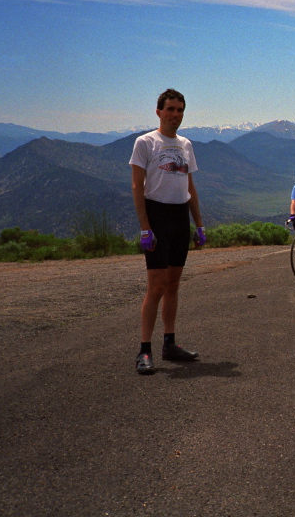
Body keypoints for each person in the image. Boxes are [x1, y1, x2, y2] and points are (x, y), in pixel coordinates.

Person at [129, 88, 206, 375]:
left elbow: (190, 187)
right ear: (159, 111)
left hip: (179, 217)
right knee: (156, 286)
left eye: (180, 110)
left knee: (173, 285)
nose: (176, 115)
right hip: (157, 216)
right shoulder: (145, 142)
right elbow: (137, 185)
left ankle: (170, 344)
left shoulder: (186, 144)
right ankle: (144, 350)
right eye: (171, 109)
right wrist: (145, 227)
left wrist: (199, 225)